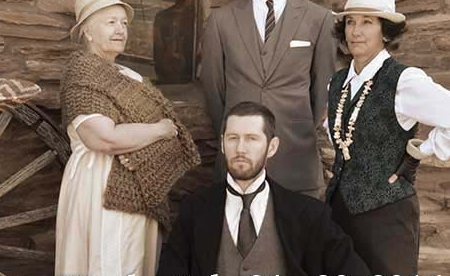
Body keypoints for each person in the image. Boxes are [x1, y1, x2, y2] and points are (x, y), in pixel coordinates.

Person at [325, 0, 450, 275]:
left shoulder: (404, 81)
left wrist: (420, 152)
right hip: (338, 214)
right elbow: (339, 138)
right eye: (350, 21)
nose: (356, 31)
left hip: (387, 217)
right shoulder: (337, 83)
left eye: (367, 22)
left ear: (385, 32)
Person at [56, 0, 200, 276]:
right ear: (87, 31)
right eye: (110, 22)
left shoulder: (130, 76)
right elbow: (103, 138)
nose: (120, 29)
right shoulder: (81, 72)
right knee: (108, 262)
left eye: (124, 23)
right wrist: (159, 130)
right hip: (102, 185)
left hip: (140, 188)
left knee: (136, 264)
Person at [200, 0, 336, 198]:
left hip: (297, 158)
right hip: (239, 160)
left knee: (299, 240)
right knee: (236, 240)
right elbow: (215, 93)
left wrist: (299, 129)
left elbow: (322, 91)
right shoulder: (221, 21)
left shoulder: (319, 20)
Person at [158, 101, 370, 276]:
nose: (241, 148)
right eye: (233, 138)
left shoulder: (309, 215)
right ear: (222, 144)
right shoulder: (194, 211)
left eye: (252, 139)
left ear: (272, 147)